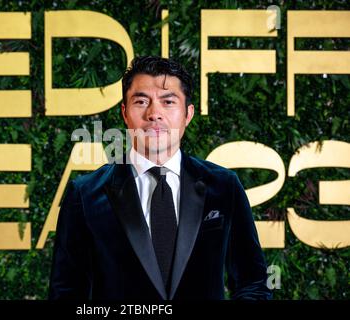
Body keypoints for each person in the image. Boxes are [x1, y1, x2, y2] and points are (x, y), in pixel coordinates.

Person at [49, 56, 272, 300]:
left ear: (188, 114)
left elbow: (254, 283)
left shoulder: (223, 187)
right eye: (141, 101)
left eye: (168, 102)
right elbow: (66, 292)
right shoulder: (85, 195)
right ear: (124, 113)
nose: (154, 113)